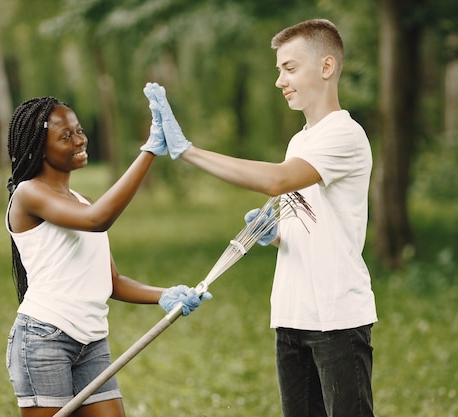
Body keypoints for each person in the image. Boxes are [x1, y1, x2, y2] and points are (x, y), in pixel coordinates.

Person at [145, 18, 376, 417]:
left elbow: (278, 180)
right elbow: (313, 223)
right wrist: (275, 236)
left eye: (289, 68)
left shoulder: (345, 134)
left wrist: (189, 152)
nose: (279, 81)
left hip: (336, 318)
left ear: (326, 67)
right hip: (292, 315)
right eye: (278, 71)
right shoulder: (300, 140)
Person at [5, 93, 210, 417]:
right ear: (40, 147)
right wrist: (149, 152)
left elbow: (110, 280)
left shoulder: (82, 201)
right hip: (45, 340)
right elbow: (97, 220)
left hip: (92, 342)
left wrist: (165, 295)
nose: (80, 139)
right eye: (66, 136)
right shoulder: (29, 194)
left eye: (79, 130)